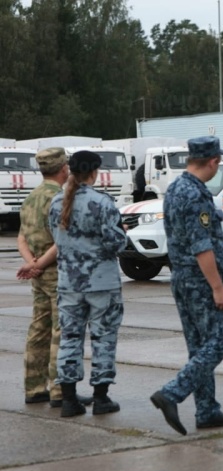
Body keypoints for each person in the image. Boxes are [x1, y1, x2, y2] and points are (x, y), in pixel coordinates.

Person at [149, 136, 223, 436]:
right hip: (200, 281)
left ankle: (207, 410)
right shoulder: (196, 195)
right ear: (213, 161)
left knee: (199, 348)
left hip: (182, 278)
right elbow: (202, 246)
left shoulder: (176, 187)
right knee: (219, 342)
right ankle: (172, 393)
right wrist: (217, 287)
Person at [49, 150, 127, 417]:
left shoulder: (56, 202)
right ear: (94, 172)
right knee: (103, 339)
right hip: (101, 284)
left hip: (69, 283)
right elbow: (116, 243)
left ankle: (69, 400)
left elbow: (57, 241)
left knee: (69, 339)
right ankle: (101, 397)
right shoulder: (102, 203)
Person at [17, 147, 92, 408]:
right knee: (62, 332)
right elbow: (62, 241)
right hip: (59, 273)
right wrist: (39, 264)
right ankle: (60, 389)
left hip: (37, 275)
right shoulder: (60, 199)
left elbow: (21, 238)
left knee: (39, 329)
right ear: (64, 169)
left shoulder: (30, 198)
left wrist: (31, 264)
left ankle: (34, 387)